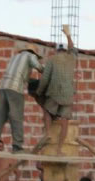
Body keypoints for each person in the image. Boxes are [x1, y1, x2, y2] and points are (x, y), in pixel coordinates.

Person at [0, 44, 44, 153]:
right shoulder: (30, 56)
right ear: (34, 53)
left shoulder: (16, 57)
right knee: (16, 117)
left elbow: (21, 75)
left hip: (4, 87)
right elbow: (39, 67)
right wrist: (48, 72)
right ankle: (17, 147)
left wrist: (29, 79)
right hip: (15, 89)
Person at [36, 25, 77, 156]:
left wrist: (39, 91)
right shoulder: (72, 58)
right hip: (68, 96)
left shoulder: (52, 60)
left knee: (47, 110)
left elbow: (45, 78)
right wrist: (68, 34)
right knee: (64, 121)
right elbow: (73, 48)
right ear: (65, 50)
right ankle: (59, 149)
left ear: (56, 50)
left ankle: (48, 134)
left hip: (54, 93)